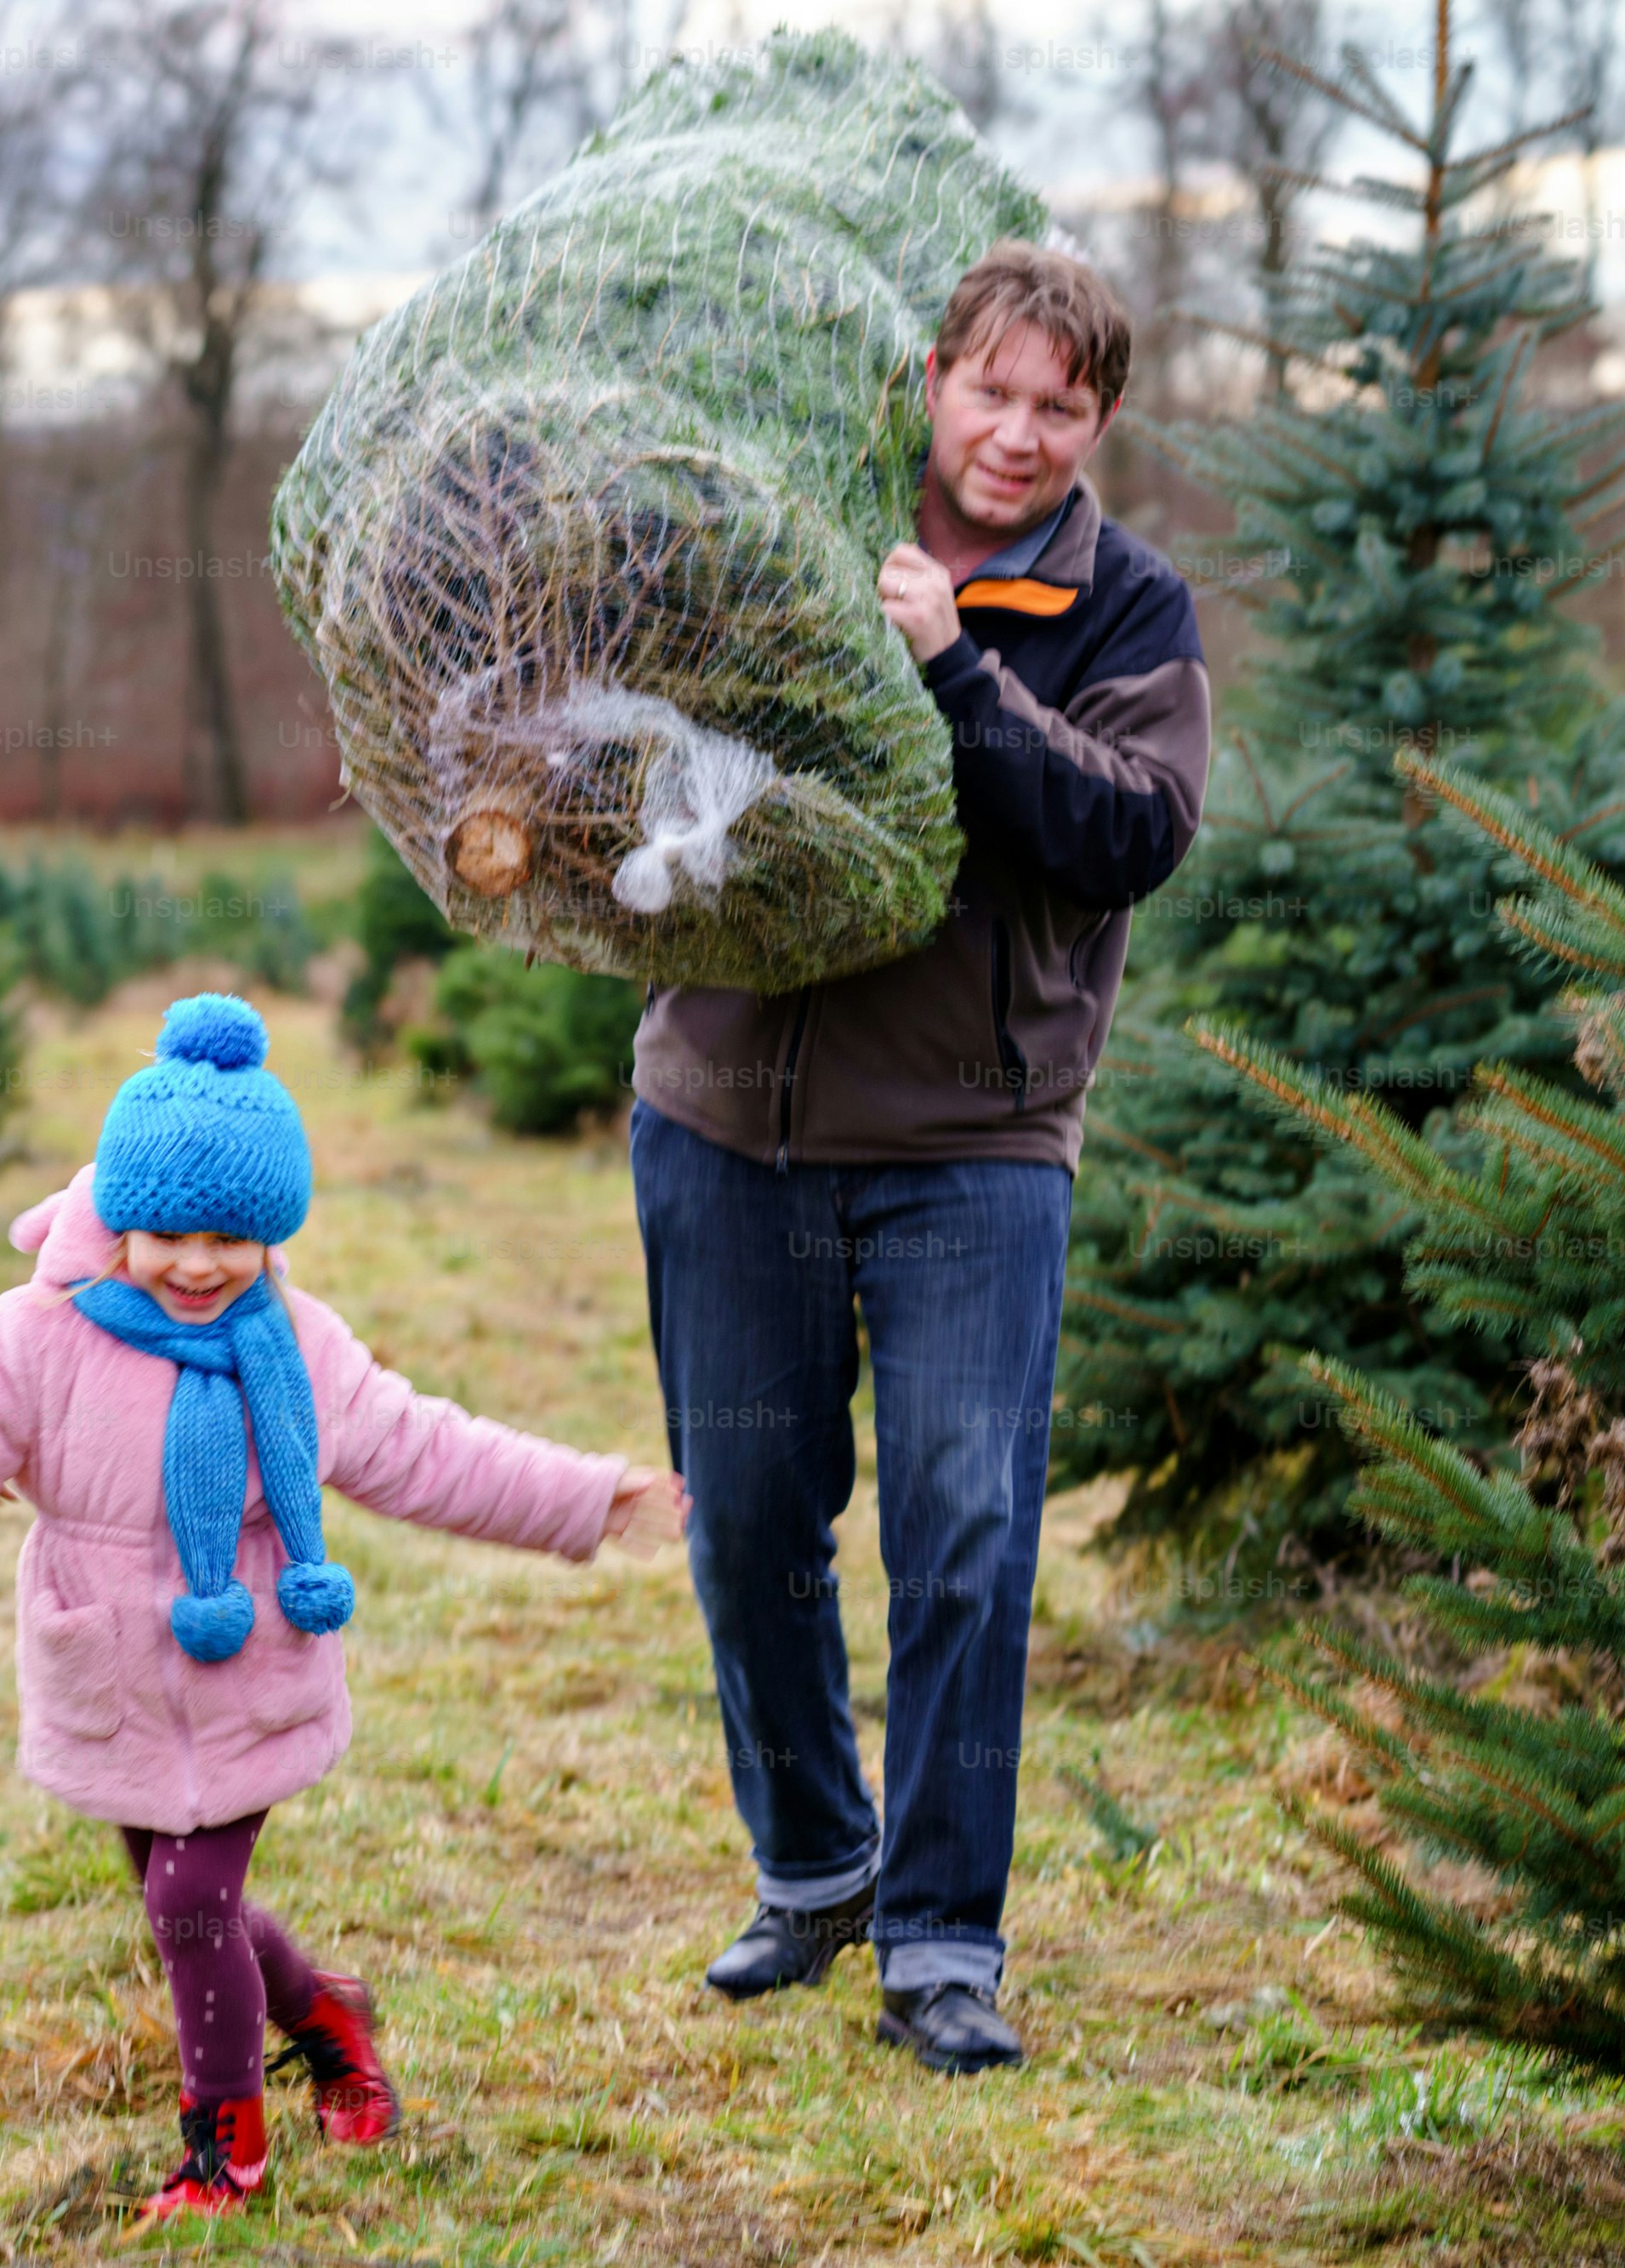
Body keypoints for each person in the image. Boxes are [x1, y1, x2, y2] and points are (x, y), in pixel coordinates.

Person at [630, 242, 1212, 2074]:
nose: (1018, 434)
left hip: (973, 1140)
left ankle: (942, 1934)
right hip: (728, 1118)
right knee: (745, 1525)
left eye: (1061, 405)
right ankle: (813, 1861)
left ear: (1095, 418)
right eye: (991, 389)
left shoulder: (1123, 606)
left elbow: (1126, 832)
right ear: (933, 378)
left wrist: (954, 663)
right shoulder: (802, 532)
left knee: (964, 1533)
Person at [0, 994, 690, 2220]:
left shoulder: (296, 1346)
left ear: (271, 1230)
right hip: (115, 1688)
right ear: (122, 1217)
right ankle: (326, 2011)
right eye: (169, 1232)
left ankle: (222, 2152)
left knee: (190, 1902)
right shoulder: (42, 1337)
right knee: (189, 1908)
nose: (197, 1263)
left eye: (229, 1237)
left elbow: (426, 1451)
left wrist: (587, 1499)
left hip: (249, 1681)